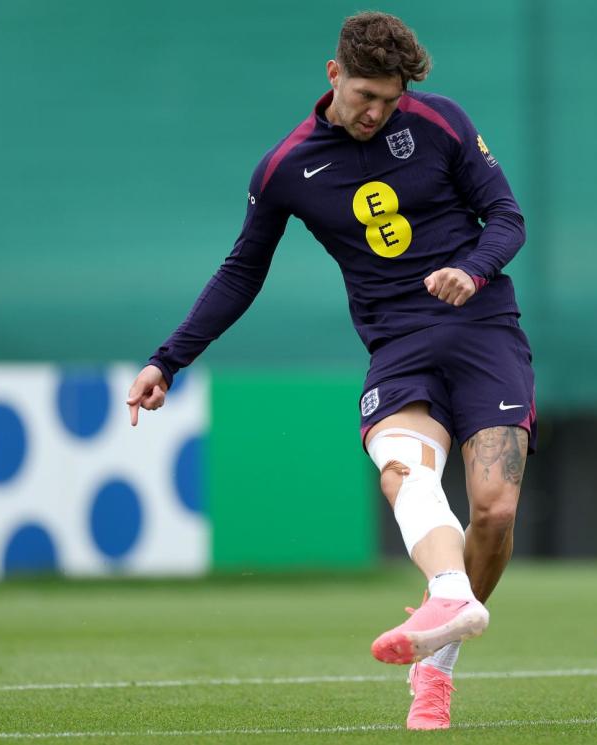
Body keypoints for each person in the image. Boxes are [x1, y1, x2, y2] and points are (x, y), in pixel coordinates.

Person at [125, 12, 535, 729]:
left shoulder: (439, 123)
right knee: (402, 464)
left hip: (482, 329)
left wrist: (471, 272)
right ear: (333, 74)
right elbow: (241, 271)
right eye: (366, 95)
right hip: (398, 345)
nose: (377, 112)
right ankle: (448, 598)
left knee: (495, 509)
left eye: (389, 98)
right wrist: (169, 357)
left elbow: (506, 216)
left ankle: (436, 656)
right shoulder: (286, 168)